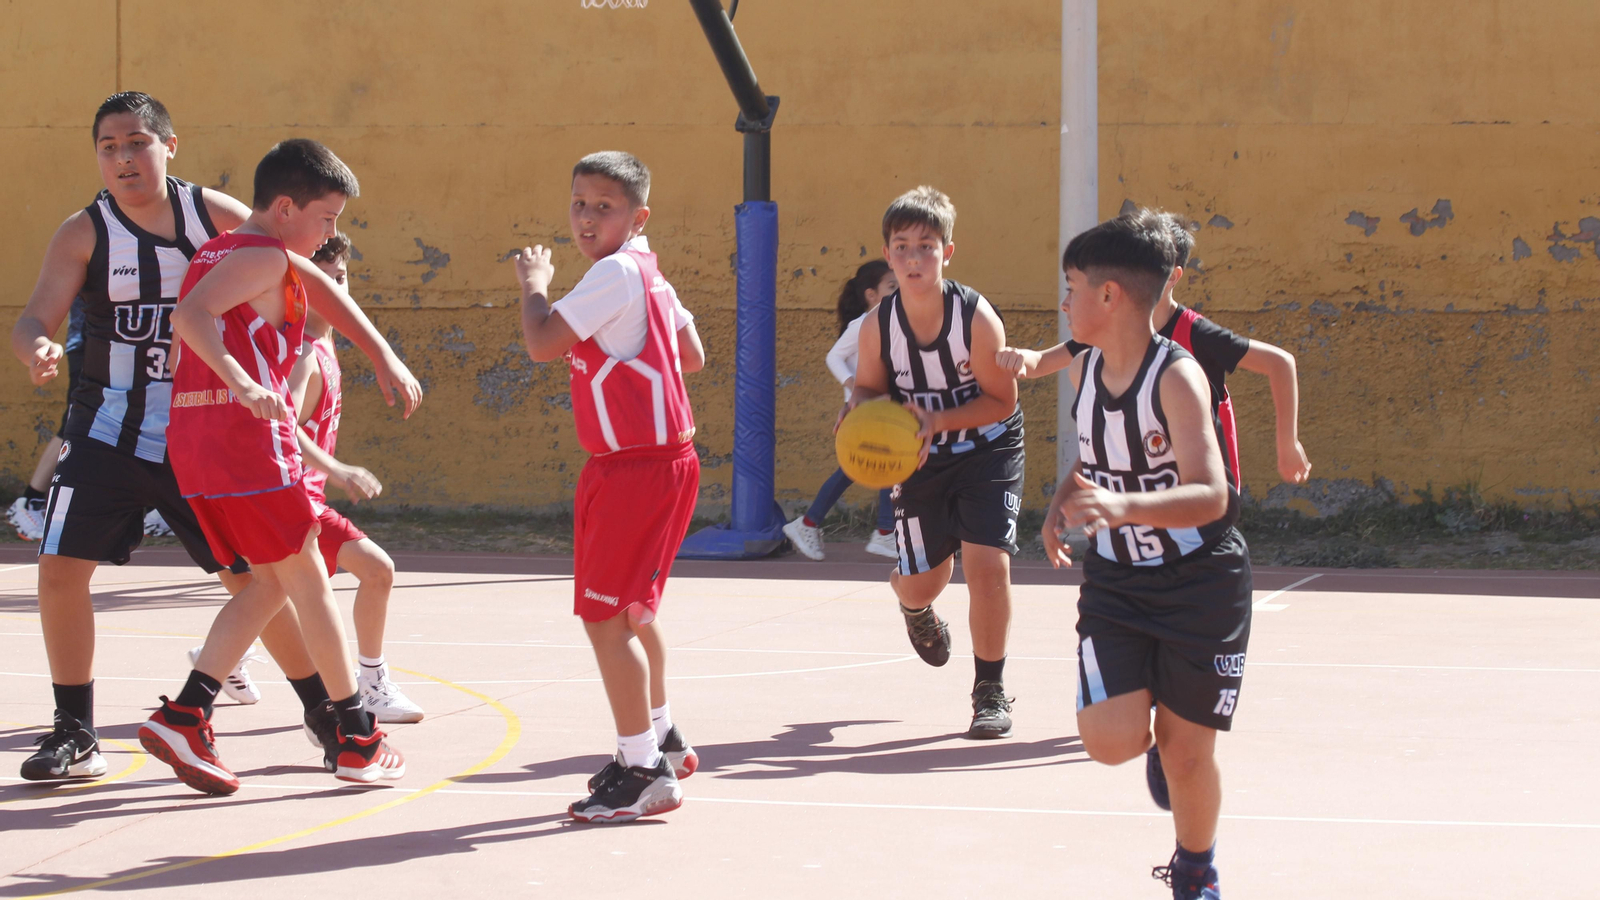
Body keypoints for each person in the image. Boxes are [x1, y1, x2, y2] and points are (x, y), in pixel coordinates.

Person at [9, 93, 338, 782]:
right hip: (106, 427)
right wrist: (37, 347)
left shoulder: (212, 214)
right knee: (60, 568)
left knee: (254, 578)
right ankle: (75, 731)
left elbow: (298, 273)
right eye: (109, 147)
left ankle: (323, 712)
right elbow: (35, 317)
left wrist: (361, 351)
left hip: (202, 432)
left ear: (169, 145)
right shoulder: (84, 232)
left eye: (137, 142)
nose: (124, 158)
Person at [138, 138, 422, 794]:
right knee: (309, 579)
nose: (329, 234)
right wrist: (241, 381)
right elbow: (189, 316)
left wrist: (381, 353)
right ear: (287, 208)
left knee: (267, 585)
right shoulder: (264, 256)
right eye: (326, 219)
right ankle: (357, 736)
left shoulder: (226, 251)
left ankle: (186, 714)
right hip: (249, 445)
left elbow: (319, 290)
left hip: (198, 448)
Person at [1045, 209, 1250, 900]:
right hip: (1118, 580)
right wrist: (1060, 502)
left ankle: (1195, 871)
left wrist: (1123, 506)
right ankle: (1156, 734)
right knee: (1107, 740)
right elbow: (1098, 455)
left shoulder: (1177, 376)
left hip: (1200, 581)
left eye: (1071, 287)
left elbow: (1212, 493)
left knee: (1189, 755)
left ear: (1109, 296)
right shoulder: (1086, 369)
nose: (1064, 302)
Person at [514, 151, 704, 823]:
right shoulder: (647, 270)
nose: (588, 218)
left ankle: (643, 768)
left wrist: (534, 285)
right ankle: (663, 735)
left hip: (635, 469)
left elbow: (541, 342)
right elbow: (691, 355)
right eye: (579, 204)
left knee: (605, 620)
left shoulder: (614, 274)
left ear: (637, 216)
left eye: (605, 207)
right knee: (631, 614)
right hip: (664, 461)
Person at [849, 186, 1026, 739]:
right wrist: (857, 415)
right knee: (924, 583)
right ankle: (915, 608)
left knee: (988, 566)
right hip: (918, 460)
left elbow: (1003, 400)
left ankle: (989, 690)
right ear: (888, 254)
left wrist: (935, 421)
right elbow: (868, 389)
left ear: (947, 252)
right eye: (902, 247)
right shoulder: (878, 325)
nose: (913, 258)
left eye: (926, 246)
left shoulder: (975, 317)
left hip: (988, 447)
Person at [997, 213, 1311, 487]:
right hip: (1142, 482)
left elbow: (1280, 362)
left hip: (1201, 487)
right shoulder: (1108, 332)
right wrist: (1019, 358)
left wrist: (1288, 443)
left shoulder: (1197, 334)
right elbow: (1040, 363)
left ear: (1172, 275)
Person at [283, 232, 423, 723]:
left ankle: (226, 658)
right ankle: (372, 684)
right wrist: (337, 469)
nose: (334, 289)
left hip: (307, 496)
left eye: (340, 278)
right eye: (320, 280)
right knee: (378, 570)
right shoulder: (302, 353)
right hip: (295, 500)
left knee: (270, 597)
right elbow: (281, 427)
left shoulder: (325, 338)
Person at [782, 259, 899, 560]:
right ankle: (884, 531)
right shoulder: (862, 324)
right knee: (885, 464)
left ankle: (810, 524)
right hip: (863, 411)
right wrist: (854, 386)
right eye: (892, 286)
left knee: (868, 467)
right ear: (871, 295)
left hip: (882, 410)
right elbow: (833, 357)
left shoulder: (893, 324)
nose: (899, 291)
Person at [7, 299, 84, 541]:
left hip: (151, 348)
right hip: (92, 344)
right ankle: (30, 500)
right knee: (77, 420)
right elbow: (31, 322)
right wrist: (40, 350)